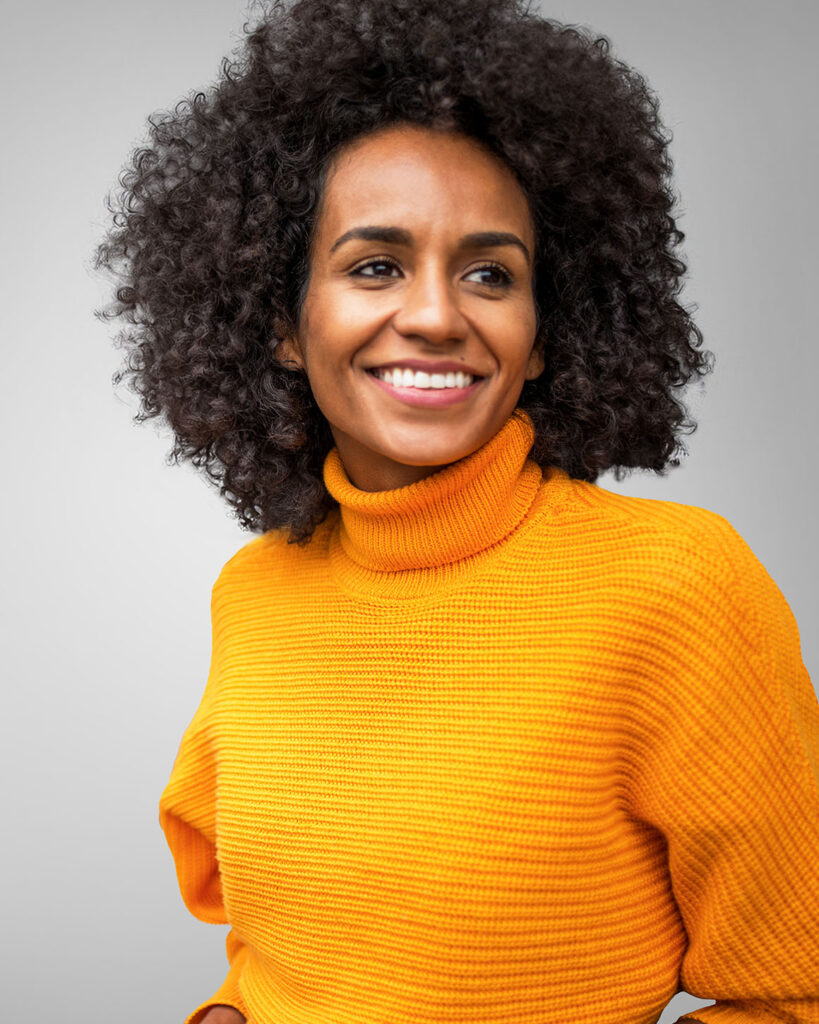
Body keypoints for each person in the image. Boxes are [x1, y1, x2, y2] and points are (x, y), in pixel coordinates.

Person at [95, 1, 819, 1022]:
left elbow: (798, 996)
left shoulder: (677, 590)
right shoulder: (254, 592)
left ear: (543, 326)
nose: (438, 315)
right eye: (375, 265)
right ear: (282, 325)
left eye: (491, 273)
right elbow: (291, 949)